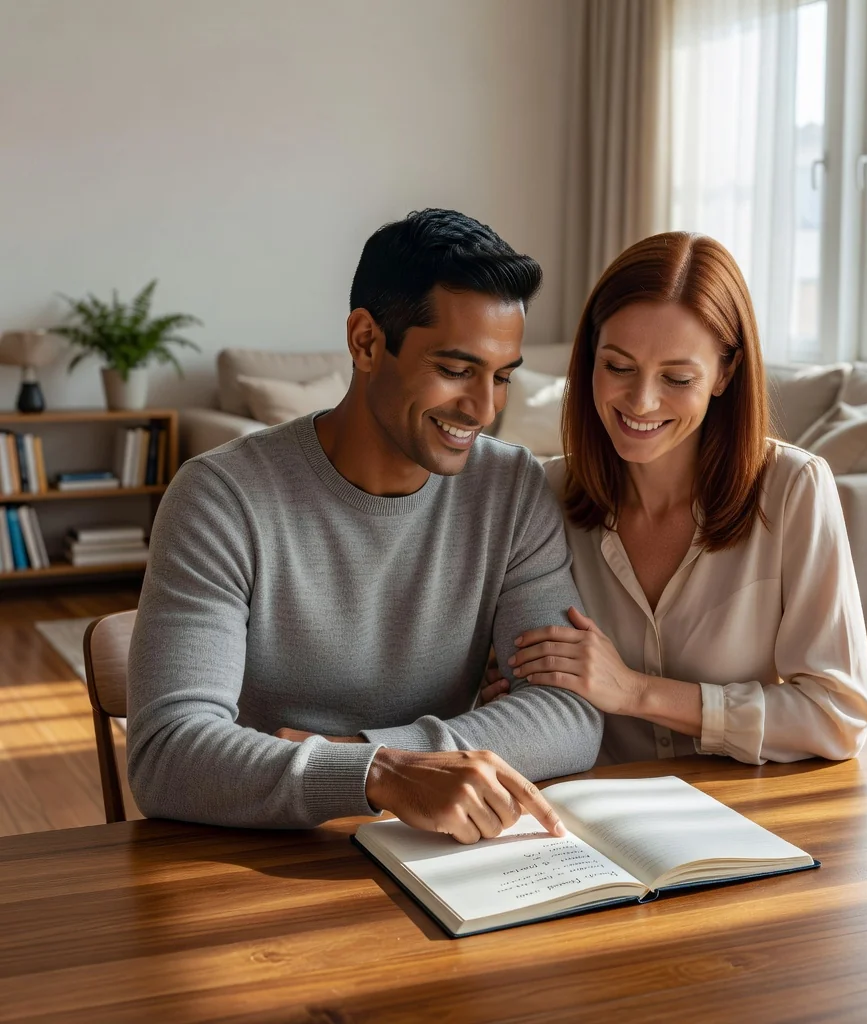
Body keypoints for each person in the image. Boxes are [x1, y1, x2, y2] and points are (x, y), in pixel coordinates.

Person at [127, 209, 602, 841]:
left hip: (436, 850)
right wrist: (379, 774)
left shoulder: (512, 488)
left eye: (503, 377)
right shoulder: (221, 498)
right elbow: (168, 756)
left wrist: (372, 755)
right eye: (457, 370)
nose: (484, 409)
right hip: (263, 854)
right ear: (367, 341)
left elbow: (569, 713)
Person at [483, 231, 867, 765]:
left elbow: (837, 716)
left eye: (677, 377)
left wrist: (635, 691)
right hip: (587, 819)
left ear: (725, 373)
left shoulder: (793, 489)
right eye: (617, 367)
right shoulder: (544, 494)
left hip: (747, 817)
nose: (641, 401)